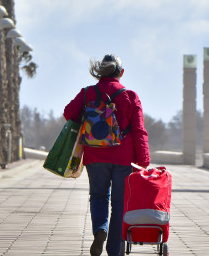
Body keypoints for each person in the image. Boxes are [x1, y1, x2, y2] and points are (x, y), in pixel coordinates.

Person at [64, 54, 150, 256]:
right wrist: (143, 159)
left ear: (100, 72)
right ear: (121, 73)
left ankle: (99, 230)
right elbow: (139, 130)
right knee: (120, 204)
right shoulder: (130, 95)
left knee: (98, 196)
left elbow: (69, 113)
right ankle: (114, 251)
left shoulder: (87, 93)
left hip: (95, 156)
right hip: (123, 158)